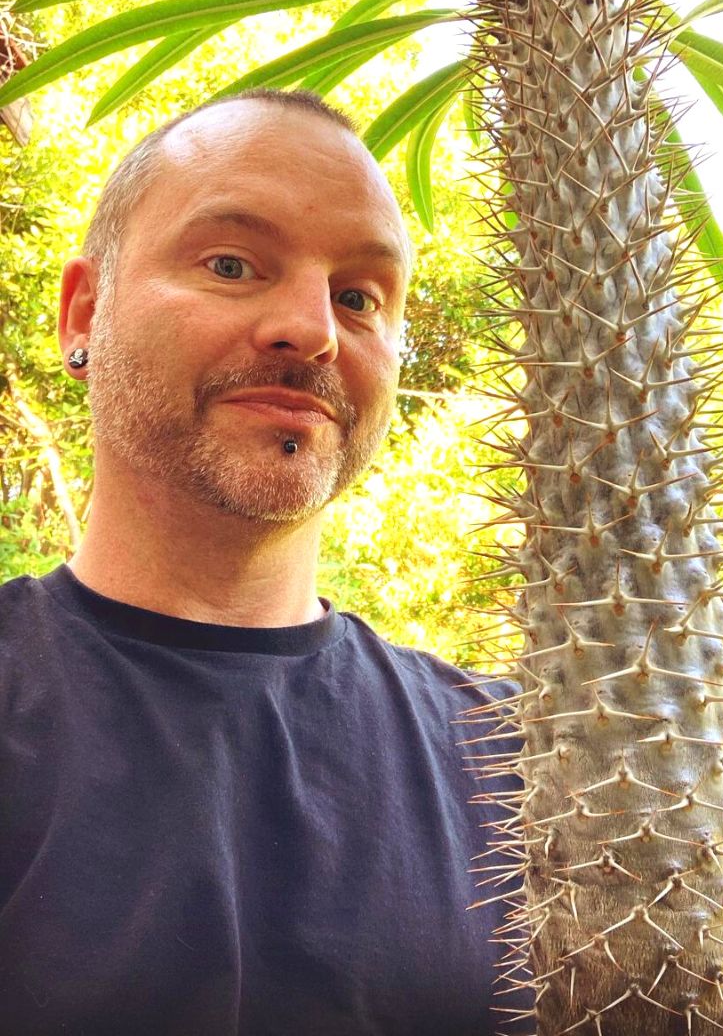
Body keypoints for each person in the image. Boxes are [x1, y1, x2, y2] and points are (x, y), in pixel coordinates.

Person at [0, 89, 528, 1035]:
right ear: (83, 313)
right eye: (234, 263)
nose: (312, 329)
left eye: (358, 296)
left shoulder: (516, 759)